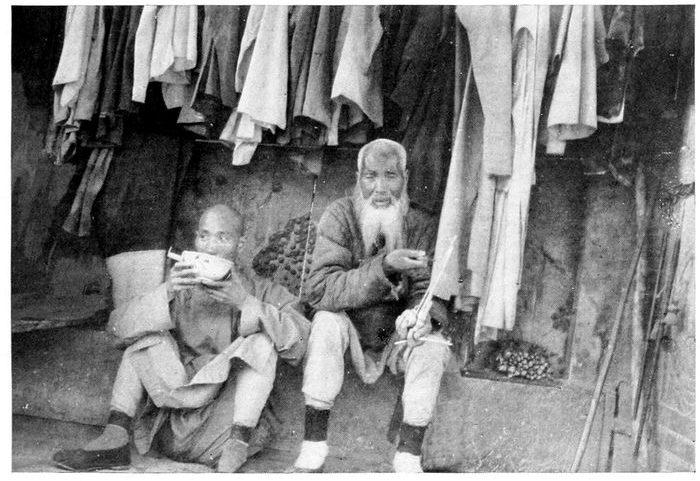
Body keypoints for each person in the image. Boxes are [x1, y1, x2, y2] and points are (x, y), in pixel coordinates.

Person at [53, 204, 310, 472]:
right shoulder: (180, 285)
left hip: (223, 427)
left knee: (261, 342)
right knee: (147, 333)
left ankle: (236, 448)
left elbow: (301, 344)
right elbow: (117, 328)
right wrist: (166, 292)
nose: (210, 248)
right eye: (204, 236)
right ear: (196, 240)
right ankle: (115, 439)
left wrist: (245, 302)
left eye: (223, 238)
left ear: (240, 243)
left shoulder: (262, 290)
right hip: (172, 420)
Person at [291, 139, 452, 473]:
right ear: (358, 178)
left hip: (390, 333)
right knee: (326, 322)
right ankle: (313, 445)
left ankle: (409, 455)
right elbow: (320, 290)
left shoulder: (420, 223)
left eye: (390, 176)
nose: (380, 188)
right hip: (348, 329)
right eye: (370, 176)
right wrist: (385, 267)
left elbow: (428, 289)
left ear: (405, 177)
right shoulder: (340, 215)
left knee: (432, 344)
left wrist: (421, 316)